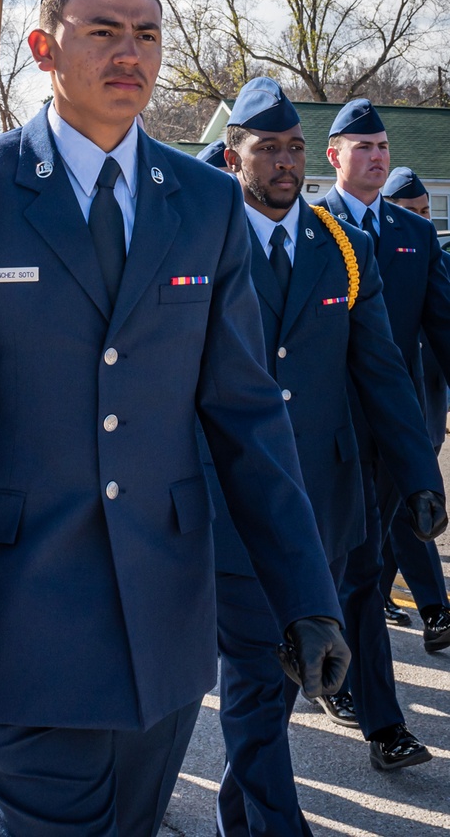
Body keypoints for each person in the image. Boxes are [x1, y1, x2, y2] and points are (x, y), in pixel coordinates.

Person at [0, 0, 351, 837]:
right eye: (103, 32)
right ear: (43, 47)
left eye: (147, 33)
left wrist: (306, 595)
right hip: (18, 631)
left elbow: (246, 415)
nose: (130, 53)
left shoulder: (204, 202)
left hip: (163, 636)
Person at [210, 80, 444, 833]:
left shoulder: (341, 247)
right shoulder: (202, 242)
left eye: (295, 148)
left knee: (282, 686)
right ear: (231, 154)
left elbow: (381, 371)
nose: (285, 163)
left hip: (328, 503)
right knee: (256, 674)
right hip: (234, 507)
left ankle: (237, 818)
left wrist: (417, 476)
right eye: (268, 148)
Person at [318, 101, 450, 766]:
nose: (377, 155)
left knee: (365, 572)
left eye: (383, 145)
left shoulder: (413, 236)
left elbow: (443, 329)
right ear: (333, 155)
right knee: (341, 570)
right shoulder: (311, 229)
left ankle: (381, 722)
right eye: (362, 146)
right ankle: (338, 681)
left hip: (392, 437)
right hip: (321, 436)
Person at [378, 166, 450, 653]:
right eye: (410, 213)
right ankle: (434, 607)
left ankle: (378, 591)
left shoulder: (428, 252)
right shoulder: (359, 245)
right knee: (404, 507)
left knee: (396, 513)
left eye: (426, 212)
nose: (420, 222)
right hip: (379, 410)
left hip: (425, 402)